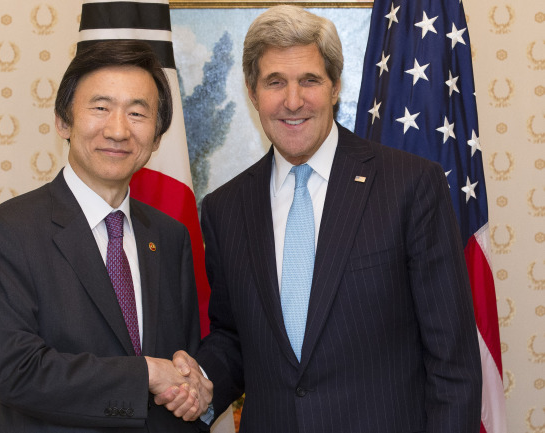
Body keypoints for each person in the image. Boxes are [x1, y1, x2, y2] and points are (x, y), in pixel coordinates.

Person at [166, 5, 482, 433]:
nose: (292, 101)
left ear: (334, 86)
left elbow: (453, 363)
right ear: (252, 90)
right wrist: (202, 382)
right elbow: (235, 337)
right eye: (275, 82)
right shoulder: (225, 207)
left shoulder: (409, 185)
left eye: (309, 81)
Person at [0, 40, 211, 432]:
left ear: (158, 137)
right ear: (64, 121)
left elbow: (182, 361)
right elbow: (18, 372)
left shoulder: (170, 236)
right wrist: (144, 374)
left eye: (137, 112)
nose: (118, 129)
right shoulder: (4, 234)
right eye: (100, 108)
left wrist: (192, 385)